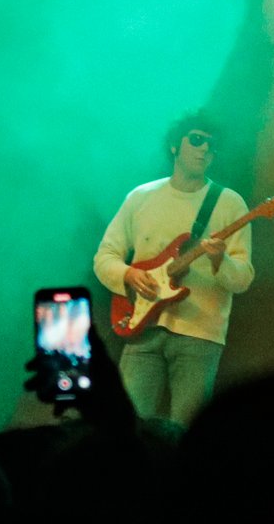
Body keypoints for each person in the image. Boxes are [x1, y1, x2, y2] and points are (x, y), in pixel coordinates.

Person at [94, 112, 254, 426]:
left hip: (199, 334)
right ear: (173, 146)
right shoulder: (141, 197)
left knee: (189, 432)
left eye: (211, 145)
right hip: (141, 329)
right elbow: (105, 257)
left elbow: (243, 278)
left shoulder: (229, 203)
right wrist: (129, 274)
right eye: (196, 140)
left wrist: (219, 259)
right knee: (130, 431)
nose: (205, 149)